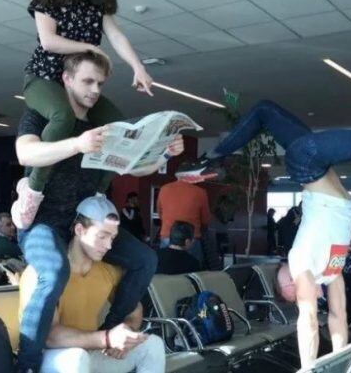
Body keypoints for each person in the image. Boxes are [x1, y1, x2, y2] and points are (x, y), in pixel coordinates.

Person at [177, 13, 351, 368]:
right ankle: (212, 158)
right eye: (295, 292)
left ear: (288, 281)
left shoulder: (301, 262)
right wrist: (340, 362)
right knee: (265, 111)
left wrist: (308, 368)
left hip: (309, 164)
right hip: (312, 164)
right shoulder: (329, 271)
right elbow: (337, 315)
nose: (299, 292)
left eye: (290, 289)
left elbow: (307, 322)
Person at [13, 50, 184, 372]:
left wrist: (163, 154)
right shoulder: (41, 115)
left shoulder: (103, 126)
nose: (94, 89)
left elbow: (135, 167)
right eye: (87, 81)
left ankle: (110, 332)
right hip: (43, 224)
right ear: (66, 78)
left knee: (145, 260)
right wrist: (77, 144)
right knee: (53, 271)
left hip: (87, 222)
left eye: (100, 83)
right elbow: (26, 154)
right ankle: (27, 366)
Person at [12, 0, 154, 229]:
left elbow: (116, 35)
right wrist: (90, 47)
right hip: (44, 79)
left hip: (76, 82)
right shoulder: (48, 0)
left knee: (120, 131)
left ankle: (98, 190)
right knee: (62, 114)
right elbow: (48, 41)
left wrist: (138, 67)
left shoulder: (95, 2)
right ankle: (32, 189)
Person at [19, 195, 165, 373]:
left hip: (90, 351)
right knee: (76, 358)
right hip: (51, 357)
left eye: (112, 238)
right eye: (102, 236)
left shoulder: (109, 270)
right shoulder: (44, 272)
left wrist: (125, 335)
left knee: (153, 345)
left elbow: (134, 313)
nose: (109, 246)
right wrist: (106, 338)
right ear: (79, 230)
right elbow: (50, 337)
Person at [156, 168, 211, 264]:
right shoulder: (200, 192)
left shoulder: (164, 189)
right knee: (193, 271)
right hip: (191, 238)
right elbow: (205, 219)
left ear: (177, 175)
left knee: (165, 269)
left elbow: (160, 213)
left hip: (167, 235)